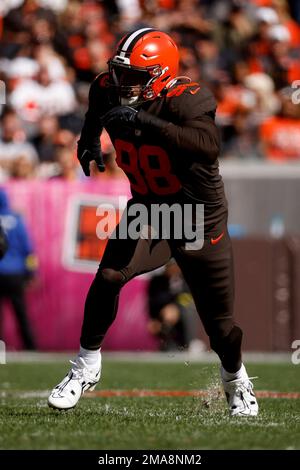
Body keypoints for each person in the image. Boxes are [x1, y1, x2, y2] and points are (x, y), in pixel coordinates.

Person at [48, 28, 258, 416]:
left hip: (198, 218)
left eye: (133, 77)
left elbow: (208, 146)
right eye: (118, 73)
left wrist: (146, 122)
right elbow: (97, 109)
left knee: (221, 328)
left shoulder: (187, 98)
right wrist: (88, 141)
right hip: (149, 209)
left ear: (161, 75)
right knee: (110, 276)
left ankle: (235, 379)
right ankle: (84, 366)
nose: (121, 84)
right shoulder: (108, 88)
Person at [0, 188, 37, 350]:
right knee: (21, 312)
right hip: (16, 273)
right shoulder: (16, 218)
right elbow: (27, 249)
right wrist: (31, 273)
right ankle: (30, 347)